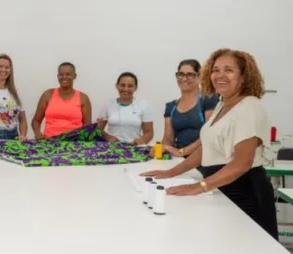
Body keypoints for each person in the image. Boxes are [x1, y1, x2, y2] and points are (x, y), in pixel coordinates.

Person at [142, 49, 277, 239]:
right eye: (216, 70)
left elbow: (242, 163)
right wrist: (170, 173)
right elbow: (206, 147)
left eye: (228, 70)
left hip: (245, 190)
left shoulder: (249, 107)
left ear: (244, 77)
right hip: (222, 184)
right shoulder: (223, 104)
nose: (220, 75)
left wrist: (198, 187)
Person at [161, 59, 218, 157]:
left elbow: (209, 134)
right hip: (178, 158)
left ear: (199, 77)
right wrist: (162, 148)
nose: (184, 78)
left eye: (190, 75)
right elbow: (168, 139)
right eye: (181, 74)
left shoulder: (209, 99)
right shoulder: (171, 106)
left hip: (203, 158)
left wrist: (182, 152)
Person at [31, 62, 92, 139]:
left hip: (74, 143)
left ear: (74, 76)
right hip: (49, 141)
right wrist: (38, 133)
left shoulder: (83, 98)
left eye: (68, 74)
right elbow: (36, 120)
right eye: (61, 74)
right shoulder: (48, 95)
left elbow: (87, 127)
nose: (64, 77)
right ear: (57, 76)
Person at [97, 72, 153, 144]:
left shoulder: (143, 105)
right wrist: (108, 137)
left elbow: (149, 133)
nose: (126, 89)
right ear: (117, 86)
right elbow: (98, 129)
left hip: (134, 149)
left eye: (130, 86)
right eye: (122, 85)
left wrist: (138, 142)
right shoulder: (108, 105)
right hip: (111, 148)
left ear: (135, 88)